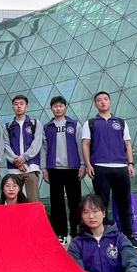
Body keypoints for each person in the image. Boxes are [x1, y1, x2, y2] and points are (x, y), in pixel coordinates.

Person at [81, 91, 137, 247]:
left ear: (110, 102)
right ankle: (103, 235)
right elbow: (85, 144)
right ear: (95, 104)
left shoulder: (120, 122)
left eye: (105, 99)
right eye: (99, 100)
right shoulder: (90, 123)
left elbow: (128, 144)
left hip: (121, 167)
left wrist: (130, 164)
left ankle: (129, 235)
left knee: (124, 202)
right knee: (101, 204)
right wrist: (88, 164)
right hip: (100, 167)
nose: (103, 102)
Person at [41, 95, 85, 242]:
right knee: (56, 203)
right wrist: (44, 169)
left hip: (73, 168)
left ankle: (76, 233)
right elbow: (44, 149)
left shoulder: (74, 125)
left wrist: (83, 165)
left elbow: (81, 145)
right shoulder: (47, 127)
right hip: (54, 169)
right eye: (55, 106)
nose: (58, 108)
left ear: (65, 107)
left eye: (61, 106)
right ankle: (60, 233)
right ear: (51, 108)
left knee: (75, 202)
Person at [3, 94, 43, 202]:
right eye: (16, 104)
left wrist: (24, 158)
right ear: (12, 107)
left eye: (21, 104)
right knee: (13, 201)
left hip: (31, 167)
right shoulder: (8, 126)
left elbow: (37, 144)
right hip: (14, 169)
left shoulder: (35, 123)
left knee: (33, 200)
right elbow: (6, 145)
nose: (19, 106)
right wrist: (16, 161)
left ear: (27, 106)